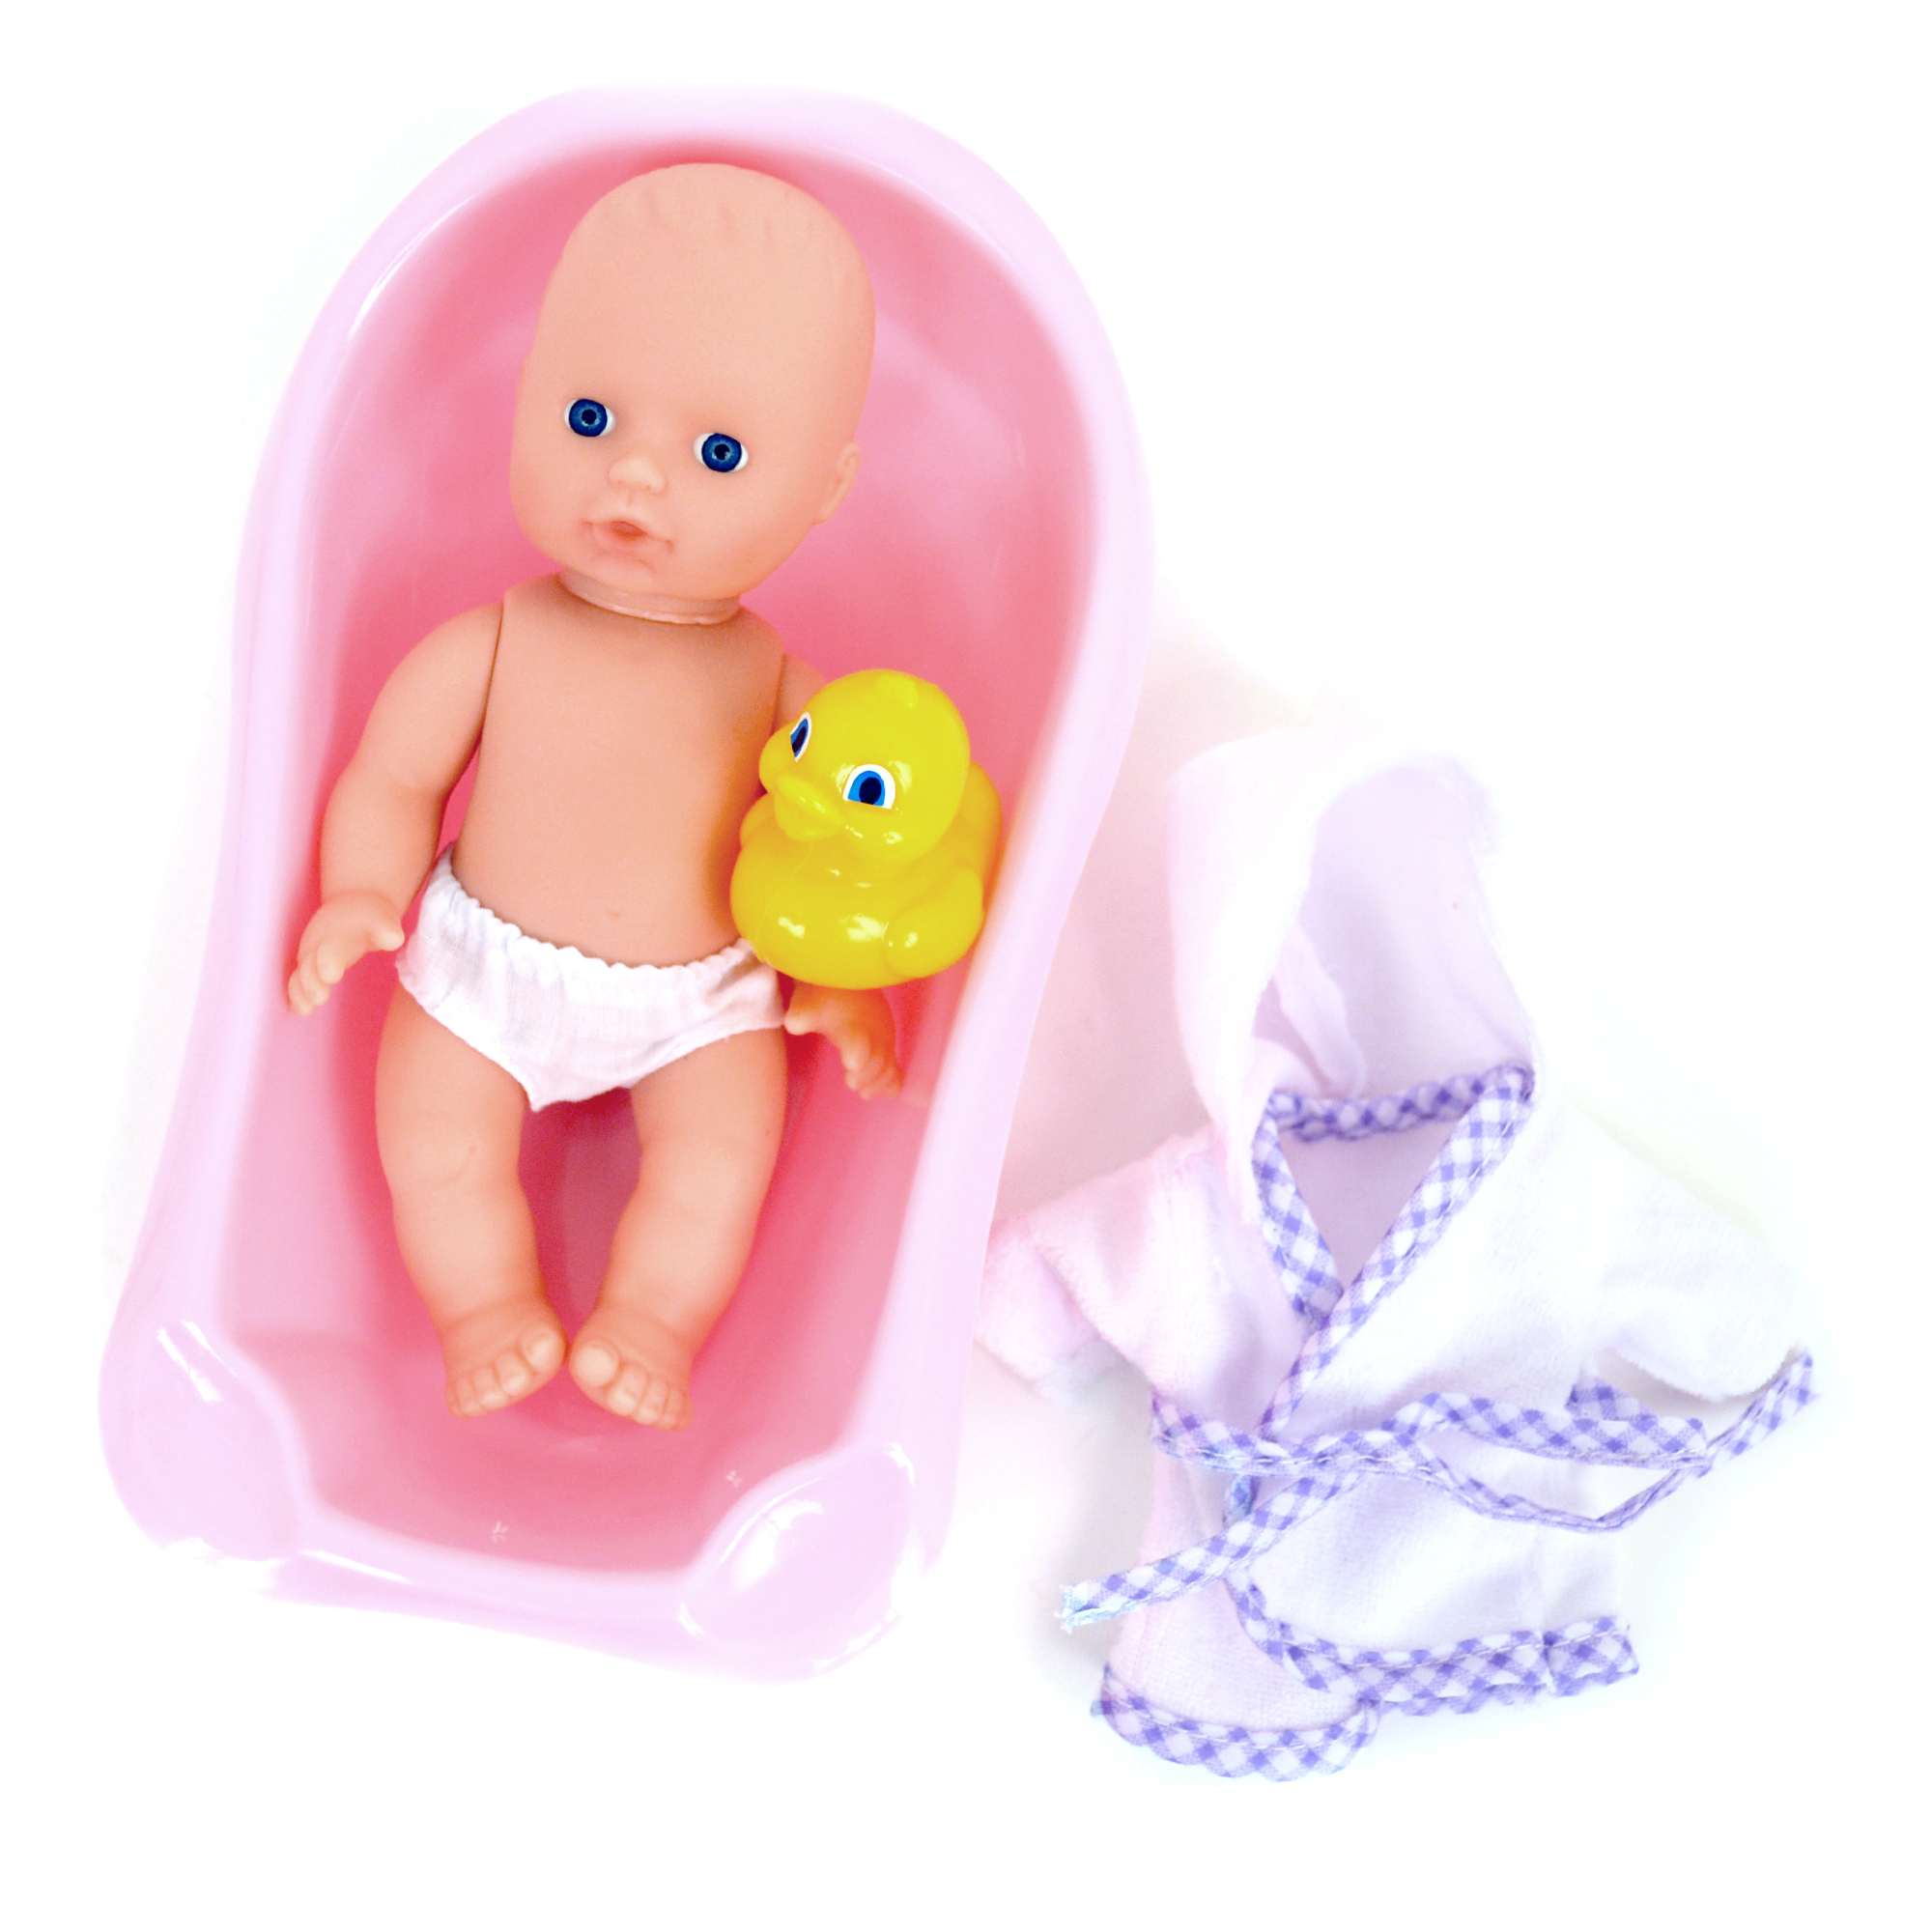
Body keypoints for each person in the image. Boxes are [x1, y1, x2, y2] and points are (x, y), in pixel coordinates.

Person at [287, 164, 895, 1429]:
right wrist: (361, 891)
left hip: (703, 1000)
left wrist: (845, 977)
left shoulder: (785, 687)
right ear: (525, 401)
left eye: (717, 453)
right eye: (586, 417)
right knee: (437, 1145)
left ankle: (654, 1320)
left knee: (718, 1159)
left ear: (826, 491)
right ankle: (482, 1307)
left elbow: (844, 850)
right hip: (480, 968)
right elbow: (394, 775)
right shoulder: (498, 636)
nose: (632, 477)